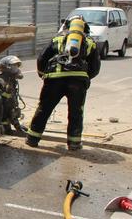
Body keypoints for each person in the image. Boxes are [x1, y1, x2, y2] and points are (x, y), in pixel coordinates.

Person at [26, 15, 101, 151]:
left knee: (44, 109)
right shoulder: (90, 42)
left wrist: (42, 74)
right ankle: (74, 143)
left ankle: (32, 139)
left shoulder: (57, 38)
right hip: (78, 83)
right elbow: (95, 67)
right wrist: (85, 77)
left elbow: (42, 58)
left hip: (54, 79)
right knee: (76, 113)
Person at [0, 55, 27, 135]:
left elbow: (11, 105)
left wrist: (17, 126)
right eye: (14, 67)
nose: (16, 69)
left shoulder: (10, 81)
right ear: (6, 67)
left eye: (17, 66)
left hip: (6, 118)